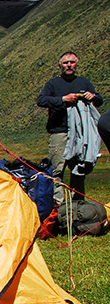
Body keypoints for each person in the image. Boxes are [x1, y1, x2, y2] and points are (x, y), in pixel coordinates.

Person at [37, 51, 103, 204]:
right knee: (57, 170)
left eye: (72, 62)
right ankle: (57, 206)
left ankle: (78, 205)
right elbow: (41, 100)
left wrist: (93, 97)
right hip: (59, 133)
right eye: (66, 63)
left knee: (78, 169)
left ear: (76, 64)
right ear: (60, 65)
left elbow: (99, 99)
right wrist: (63, 99)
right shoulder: (53, 84)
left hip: (80, 134)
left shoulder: (84, 82)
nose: (69, 65)